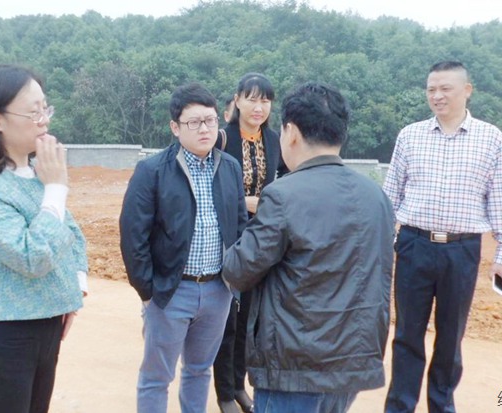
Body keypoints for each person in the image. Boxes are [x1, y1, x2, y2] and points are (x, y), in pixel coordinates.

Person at [222, 81, 395, 413]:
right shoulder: (375, 196)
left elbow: (239, 269)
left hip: (295, 365)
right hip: (352, 361)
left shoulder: (283, 195)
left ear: (291, 132)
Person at [382, 61, 502, 413]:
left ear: (467, 90)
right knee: (406, 335)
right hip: (413, 244)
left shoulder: (490, 138)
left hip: (462, 251)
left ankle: (442, 406)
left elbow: (501, 199)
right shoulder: (410, 135)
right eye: (431, 89)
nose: (437, 96)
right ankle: (399, 406)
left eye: (445, 88)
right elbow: (390, 196)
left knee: (450, 337)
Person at [0, 64, 88, 413]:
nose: (44, 120)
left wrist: (74, 288)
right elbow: (33, 256)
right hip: (3, 337)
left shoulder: (36, 175)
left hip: (46, 324)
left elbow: (71, 234)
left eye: (46, 109)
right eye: (33, 112)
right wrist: (56, 188)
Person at [119, 82, 247, 413]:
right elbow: (133, 235)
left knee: (199, 370)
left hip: (217, 291)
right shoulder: (152, 171)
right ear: (175, 127)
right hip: (170, 292)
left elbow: (239, 227)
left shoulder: (229, 168)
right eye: (194, 122)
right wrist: (148, 291)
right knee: (156, 377)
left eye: (210, 120)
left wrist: (233, 282)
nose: (204, 128)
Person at [213, 73, 285, 413]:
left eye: (265, 100)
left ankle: (239, 385)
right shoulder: (222, 138)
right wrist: (246, 202)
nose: (259, 107)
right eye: (252, 99)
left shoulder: (274, 140)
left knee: (250, 319)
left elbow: (286, 177)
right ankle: (224, 392)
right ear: (237, 101)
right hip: (228, 236)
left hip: (261, 238)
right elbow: (209, 186)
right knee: (227, 315)